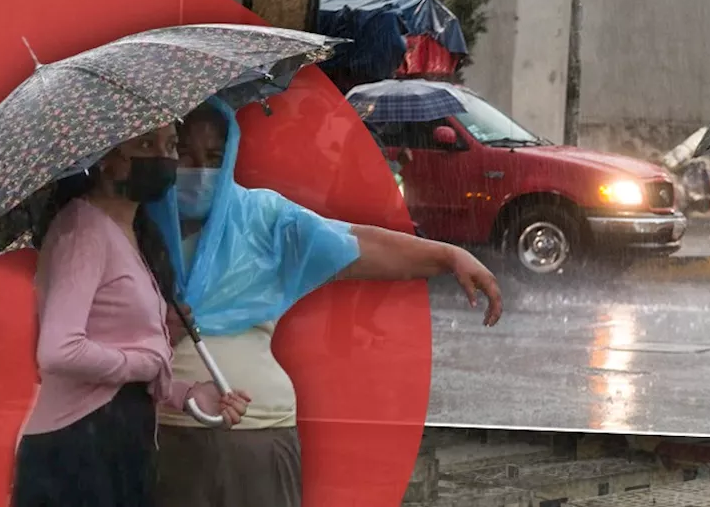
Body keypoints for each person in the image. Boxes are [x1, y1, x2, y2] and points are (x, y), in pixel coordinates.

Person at [150, 100, 503, 507]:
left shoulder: (262, 217)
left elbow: (352, 244)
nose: (200, 171)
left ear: (231, 156)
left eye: (214, 157)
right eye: (185, 155)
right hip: (164, 432)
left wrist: (445, 256)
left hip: (259, 435)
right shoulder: (135, 225)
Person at [10, 126, 250, 507]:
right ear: (105, 160)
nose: (164, 157)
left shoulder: (135, 232)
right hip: (76, 452)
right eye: (144, 144)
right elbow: (58, 351)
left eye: (170, 145)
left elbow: (122, 359)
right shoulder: (83, 230)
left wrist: (185, 393)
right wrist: (145, 363)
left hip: (118, 443)